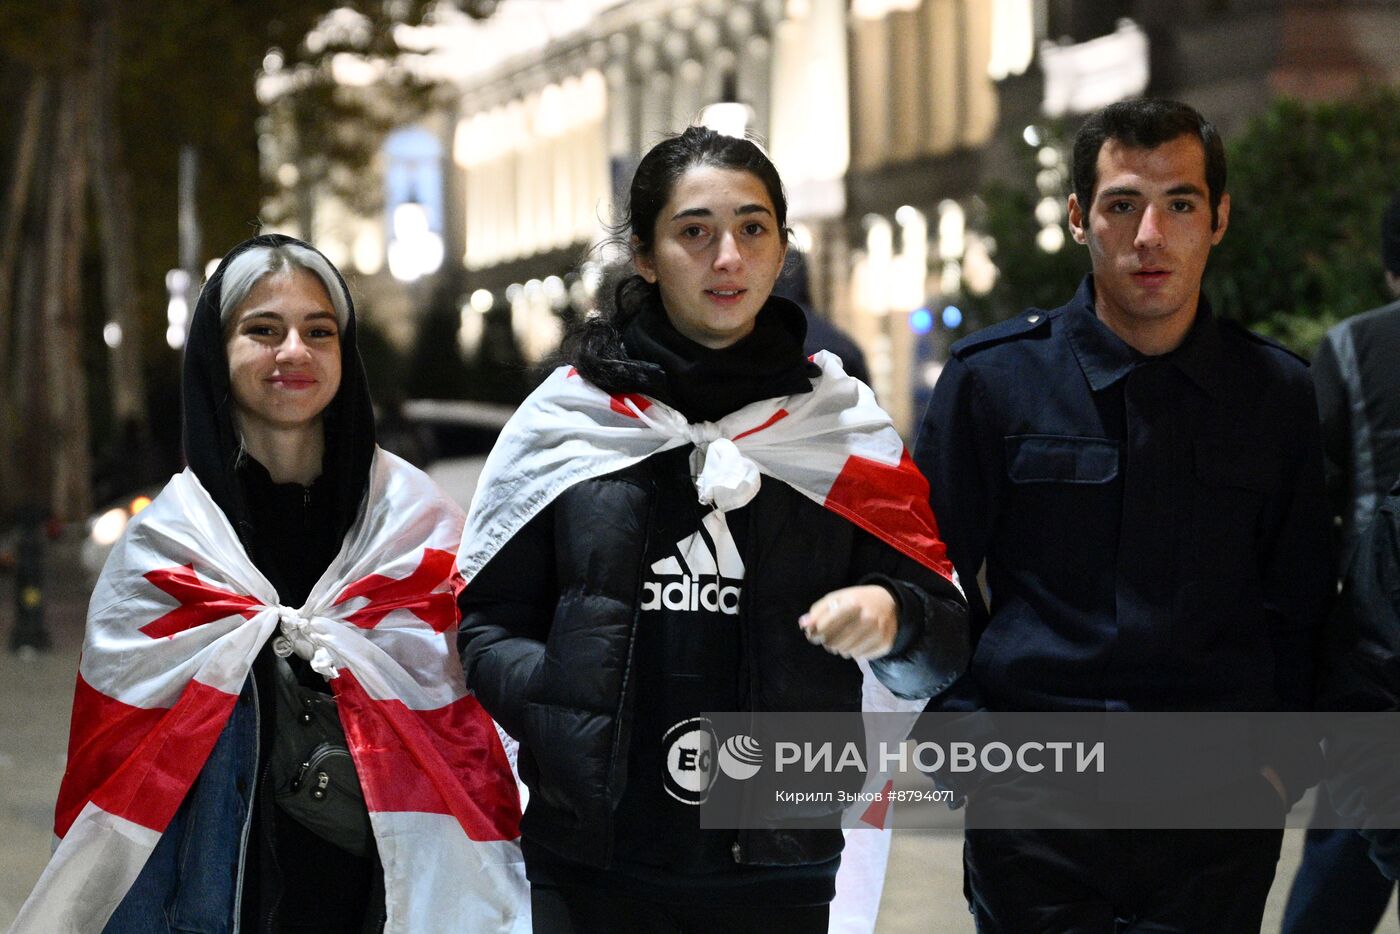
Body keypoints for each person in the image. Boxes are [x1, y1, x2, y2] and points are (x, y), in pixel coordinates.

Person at [456, 126, 969, 934]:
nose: (726, 256)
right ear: (646, 256)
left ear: (782, 248)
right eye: (694, 231)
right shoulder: (571, 421)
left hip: (776, 860)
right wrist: (562, 701)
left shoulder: (838, 429)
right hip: (594, 856)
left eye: (752, 228)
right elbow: (484, 621)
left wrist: (897, 617)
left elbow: (942, 643)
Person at [13, 234, 526, 933]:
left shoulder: (417, 530)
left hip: (386, 902)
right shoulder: (166, 551)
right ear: (216, 354)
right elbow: (115, 778)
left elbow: (476, 731)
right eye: (262, 330)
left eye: (319, 332)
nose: (294, 352)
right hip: (215, 905)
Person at [914, 98, 1333, 932]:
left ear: (1218, 218)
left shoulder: (1275, 395)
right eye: (1122, 205)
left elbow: (1307, 606)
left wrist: (1278, 772)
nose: (1150, 236)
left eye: (1179, 204)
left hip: (1215, 819)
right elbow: (924, 585)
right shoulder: (996, 382)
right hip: (1035, 818)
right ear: (1078, 218)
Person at [1283, 192, 1400, 933]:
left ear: (1390, 268)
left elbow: (1308, 496)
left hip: (1380, 637)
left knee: (1346, 844)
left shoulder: (1355, 347)